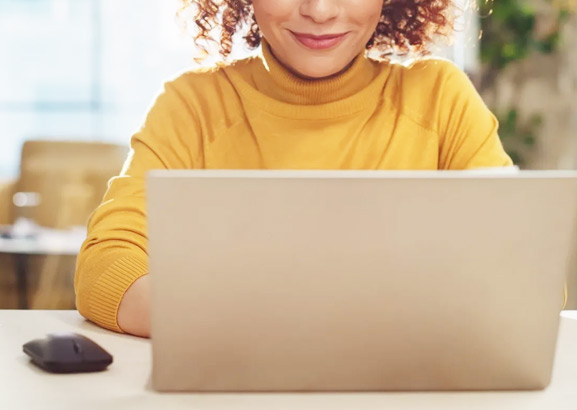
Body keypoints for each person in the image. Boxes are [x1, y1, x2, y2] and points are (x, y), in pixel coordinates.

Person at [74, 0, 513, 338]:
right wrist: (257, 324)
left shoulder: (438, 98)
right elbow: (106, 267)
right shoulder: (195, 106)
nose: (319, 11)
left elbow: (521, 275)